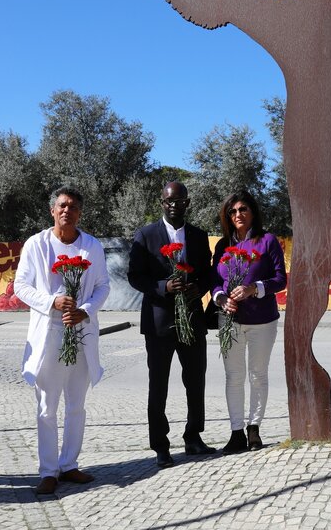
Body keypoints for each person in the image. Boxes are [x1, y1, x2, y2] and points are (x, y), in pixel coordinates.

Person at [14, 188, 110, 495]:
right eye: (62, 206)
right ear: (53, 211)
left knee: (76, 403)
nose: (67, 211)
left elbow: (102, 286)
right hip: (49, 329)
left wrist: (85, 311)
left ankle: (69, 464)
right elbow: (21, 287)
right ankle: (48, 470)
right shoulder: (37, 244)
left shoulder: (91, 246)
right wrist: (51, 302)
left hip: (81, 330)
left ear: (80, 213)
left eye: (73, 207)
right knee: (47, 405)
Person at [127, 181, 215, 468]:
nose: (174, 204)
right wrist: (164, 286)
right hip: (158, 322)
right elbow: (135, 276)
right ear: (161, 203)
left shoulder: (199, 236)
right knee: (159, 385)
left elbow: (208, 274)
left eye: (179, 200)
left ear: (187, 202)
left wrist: (198, 288)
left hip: (192, 318)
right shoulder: (146, 235)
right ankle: (161, 446)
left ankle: (193, 437)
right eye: (168, 200)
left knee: (196, 380)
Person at [210, 191, 287, 454]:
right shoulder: (222, 246)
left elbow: (280, 279)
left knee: (257, 374)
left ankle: (254, 429)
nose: (237, 215)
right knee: (234, 376)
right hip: (229, 320)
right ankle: (235, 433)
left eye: (243, 209)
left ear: (252, 211)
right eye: (232, 211)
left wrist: (254, 288)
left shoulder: (266, 241)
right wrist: (221, 299)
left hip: (262, 321)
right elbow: (215, 282)